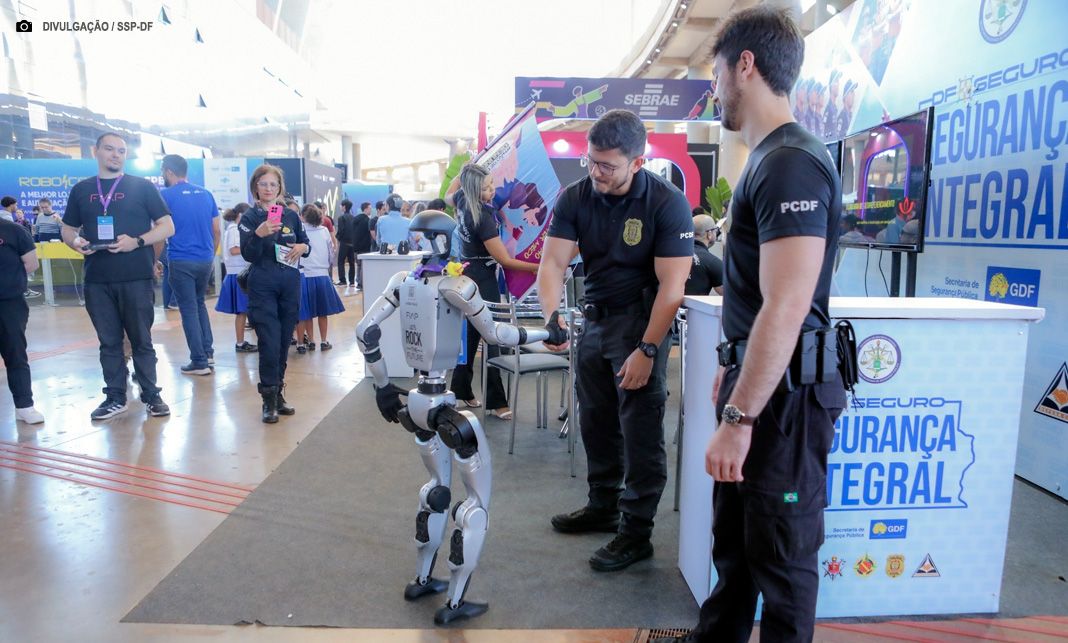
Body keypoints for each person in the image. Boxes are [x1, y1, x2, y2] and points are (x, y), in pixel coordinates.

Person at [653, 8, 847, 643]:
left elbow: (787, 305)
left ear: (745, 65)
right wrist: (734, 373)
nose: (714, 90)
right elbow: (757, 298)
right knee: (735, 550)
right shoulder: (768, 159)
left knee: (781, 564)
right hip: (763, 390)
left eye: (715, 74)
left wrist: (740, 419)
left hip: (784, 406)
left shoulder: (791, 163)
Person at [536, 109, 693, 572]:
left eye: (607, 165)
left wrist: (648, 349)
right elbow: (553, 264)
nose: (596, 172)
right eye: (591, 161)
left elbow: (673, 288)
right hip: (594, 322)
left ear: (637, 162)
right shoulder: (576, 197)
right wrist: (551, 318)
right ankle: (603, 505)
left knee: (640, 430)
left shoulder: (666, 202)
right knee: (597, 421)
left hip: (641, 325)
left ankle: (636, 532)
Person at [61, 132, 175, 420]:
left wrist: (137, 241)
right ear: (95, 151)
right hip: (97, 279)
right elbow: (67, 228)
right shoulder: (82, 190)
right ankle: (115, 397)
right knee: (109, 342)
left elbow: (167, 226)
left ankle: (151, 395)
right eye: (109, 149)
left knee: (141, 340)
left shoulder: (142, 187)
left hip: (135, 277)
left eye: (121, 151)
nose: (115, 155)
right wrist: (74, 241)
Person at [444, 164, 539, 420]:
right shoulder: (482, 216)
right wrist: (538, 267)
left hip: (466, 276)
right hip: (482, 280)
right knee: (493, 337)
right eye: (486, 188)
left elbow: (448, 194)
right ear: (473, 189)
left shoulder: (461, 200)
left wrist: (466, 170)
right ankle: (497, 402)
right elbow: (504, 259)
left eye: (491, 185)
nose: (492, 190)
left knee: (470, 336)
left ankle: (460, 391)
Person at [238, 164, 309, 423]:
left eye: (273, 184)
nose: (269, 189)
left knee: (283, 341)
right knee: (269, 341)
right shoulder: (249, 218)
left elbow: (305, 243)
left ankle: (278, 393)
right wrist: (258, 235)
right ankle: (268, 399)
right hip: (263, 284)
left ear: (280, 188)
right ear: (255, 187)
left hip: (289, 283)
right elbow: (248, 254)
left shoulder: (290, 215)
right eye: (264, 184)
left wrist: (302, 247)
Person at [160, 154, 220, 376]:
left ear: (168, 171)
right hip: (205, 259)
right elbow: (216, 230)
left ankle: (199, 361)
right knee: (199, 303)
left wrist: (155, 260)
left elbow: (160, 230)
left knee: (188, 309)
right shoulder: (206, 194)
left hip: (180, 259)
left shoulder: (165, 195)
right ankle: (208, 353)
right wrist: (210, 254)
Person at [0, 213, 44, 424]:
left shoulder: (14, 230)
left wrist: (9, 280)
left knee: (15, 353)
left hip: (9, 303)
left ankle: (24, 405)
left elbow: (31, 263)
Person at [298, 204, 345, 350]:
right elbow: (331, 252)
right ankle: (324, 341)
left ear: (303, 216)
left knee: (307, 313)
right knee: (322, 312)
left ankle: (311, 341)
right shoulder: (324, 231)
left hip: (304, 275)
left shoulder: (300, 230)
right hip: (322, 275)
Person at [215, 204, 257, 353]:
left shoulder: (236, 229)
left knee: (244, 311)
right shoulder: (234, 229)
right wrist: (251, 248)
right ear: (240, 215)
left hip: (239, 273)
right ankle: (240, 342)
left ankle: (241, 342)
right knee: (242, 312)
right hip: (238, 275)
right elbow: (233, 250)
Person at [686, 214, 724, 296]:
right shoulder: (712, 262)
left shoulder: (673, 254)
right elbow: (730, 295)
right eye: (715, 230)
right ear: (709, 234)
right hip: (694, 304)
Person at [351, 201, 374, 289]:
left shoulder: (355, 219)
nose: (371, 210)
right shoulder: (367, 220)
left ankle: (358, 281)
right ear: (366, 209)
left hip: (356, 246)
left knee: (359, 265)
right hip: (365, 247)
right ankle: (361, 283)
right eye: (370, 208)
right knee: (363, 266)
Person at [335, 198, 357, 286]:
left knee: (341, 261)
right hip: (352, 243)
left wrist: (337, 238)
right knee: (352, 262)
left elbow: (341, 230)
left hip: (344, 243)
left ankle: (343, 280)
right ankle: (352, 282)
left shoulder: (341, 218)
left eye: (341, 205)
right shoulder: (353, 217)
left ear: (344, 207)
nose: (340, 207)